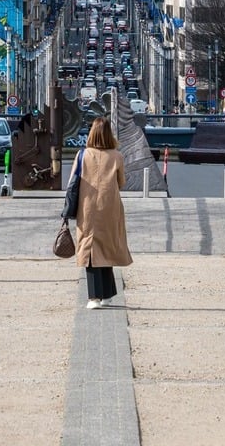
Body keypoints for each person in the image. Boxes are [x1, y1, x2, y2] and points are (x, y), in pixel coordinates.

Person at [62, 116, 132, 309]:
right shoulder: (117, 156)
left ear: (91, 133)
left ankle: (94, 297)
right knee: (106, 247)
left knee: (90, 249)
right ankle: (108, 294)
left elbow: (72, 182)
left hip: (88, 206)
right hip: (111, 207)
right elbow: (121, 182)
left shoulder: (82, 155)